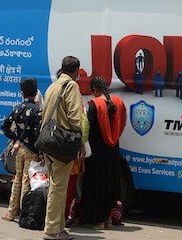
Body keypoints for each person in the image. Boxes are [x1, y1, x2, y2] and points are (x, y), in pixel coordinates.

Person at [42, 56, 85, 240]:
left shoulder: (53, 86)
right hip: (62, 144)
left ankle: (58, 228)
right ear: (75, 71)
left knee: (55, 186)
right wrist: (81, 141)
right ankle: (52, 230)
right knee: (59, 188)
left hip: (48, 142)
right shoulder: (71, 86)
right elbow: (76, 116)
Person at [80, 76, 127, 229]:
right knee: (109, 185)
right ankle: (107, 220)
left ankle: (97, 221)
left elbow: (88, 128)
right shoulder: (118, 102)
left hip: (96, 153)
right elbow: (123, 122)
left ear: (95, 90)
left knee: (95, 186)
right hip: (112, 152)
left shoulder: (95, 105)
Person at [1, 78, 42, 221]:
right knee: (27, 181)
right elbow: (38, 134)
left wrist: (16, 139)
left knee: (17, 179)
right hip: (32, 151)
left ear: (22, 93)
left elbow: (5, 126)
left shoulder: (17, 108)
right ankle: (25, 213)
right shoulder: (38, 111)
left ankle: (11, 213)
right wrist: (41, 154)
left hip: (20, 149)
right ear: (36, 92)